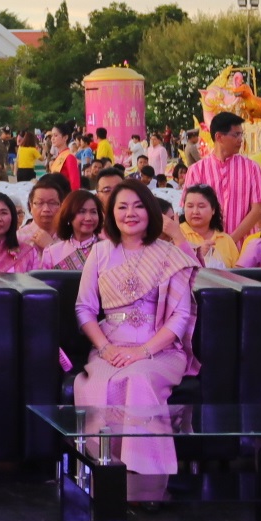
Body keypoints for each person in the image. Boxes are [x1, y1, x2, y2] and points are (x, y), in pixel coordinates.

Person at [73, 179, 200, 496]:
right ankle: (107, 475)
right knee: (99, 383)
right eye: (122, 207)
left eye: (138, 206)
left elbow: (180, 316)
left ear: (151, 211)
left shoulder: (170, 255)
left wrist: (143, 351)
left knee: (138, 379)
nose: (130, 213)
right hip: (110, 347)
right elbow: (84, 308)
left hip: (159, 349)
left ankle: (146, 484)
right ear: (111, 214)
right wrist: (104, 348)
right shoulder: (100, 253)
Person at [183, 112, 261, 242]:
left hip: (244, 247)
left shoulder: (252, 168)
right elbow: (189, 209)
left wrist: (230, 240)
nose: (240, 140)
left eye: (241, 134)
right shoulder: (196, 170)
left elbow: (258, 209)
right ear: (219, 137)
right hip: (207, 246)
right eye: (236, 135)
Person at [177, 185, 241, 269]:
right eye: (190, 206)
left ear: (213, 209)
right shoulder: (177, 233)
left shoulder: (226, 240)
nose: (195, 211)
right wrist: (198, 254)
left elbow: (236, 273)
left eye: (201, 206)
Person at [41, 188, 104, 270]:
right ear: (68, 215)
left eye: (93, 212)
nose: (88, 218)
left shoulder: (107, 249)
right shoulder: (52, 252)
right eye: (82, 211)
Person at [18, 173, 72, 251]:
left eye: (52, 203)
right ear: (31, 206)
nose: (46, 209)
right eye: (40, 203)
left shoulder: (71, 236)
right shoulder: (18, 238)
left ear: (61, 205)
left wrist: (51, 246)